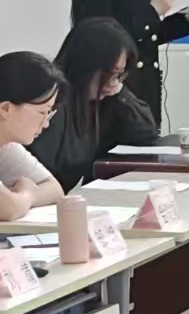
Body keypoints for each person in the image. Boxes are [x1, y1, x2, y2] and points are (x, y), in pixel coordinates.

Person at [31, 17, 160, 190]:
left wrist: (121, 93)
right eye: (110, 74)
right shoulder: (50, 102)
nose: (114, 83)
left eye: (119, 75)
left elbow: (145, 135)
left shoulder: (101, 100)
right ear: (86, 66)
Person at [0, 51, 65, 222]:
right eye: (42, 112)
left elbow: (55, 190)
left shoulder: (4, 145)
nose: (46, 124)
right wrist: (29, 193)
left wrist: (24, 197)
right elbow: (6, 209)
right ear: (6, 109)